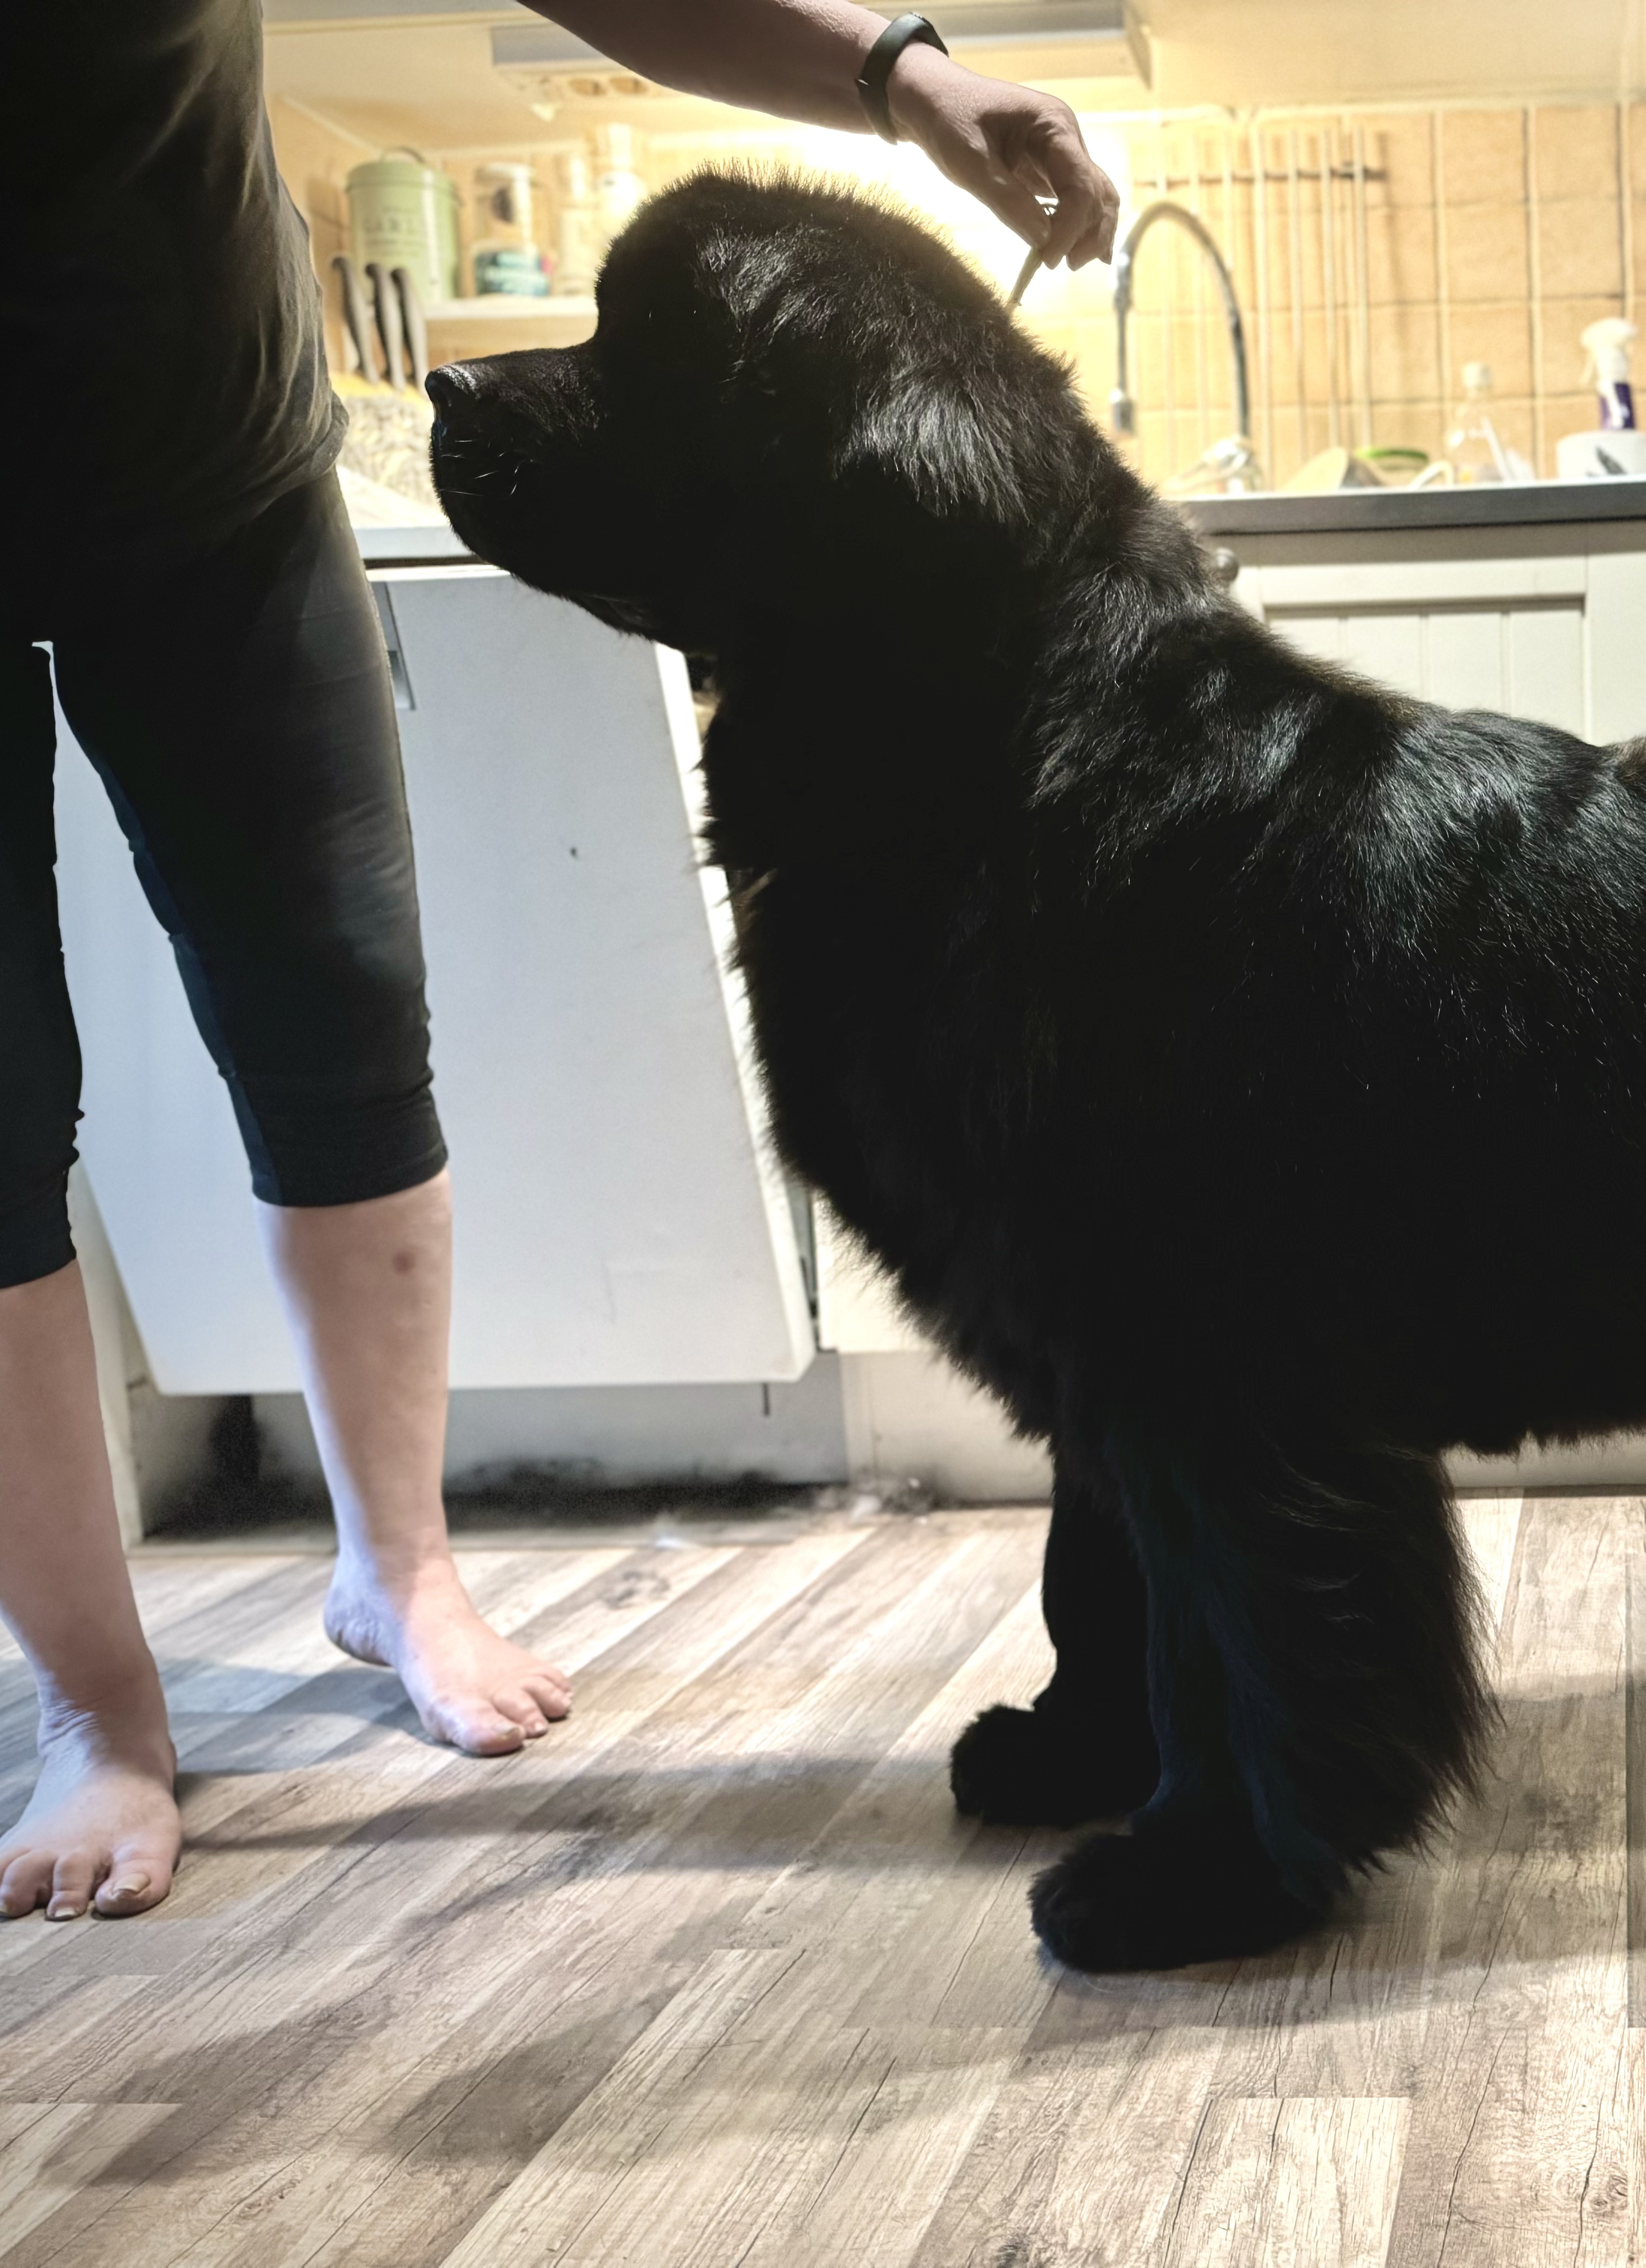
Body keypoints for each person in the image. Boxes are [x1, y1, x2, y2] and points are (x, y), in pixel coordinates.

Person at [0, 1, 1116, 1923]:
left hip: (212, 465)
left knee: (345, 1028)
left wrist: (899, 72)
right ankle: (95, 1708)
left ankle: (400, 1574)